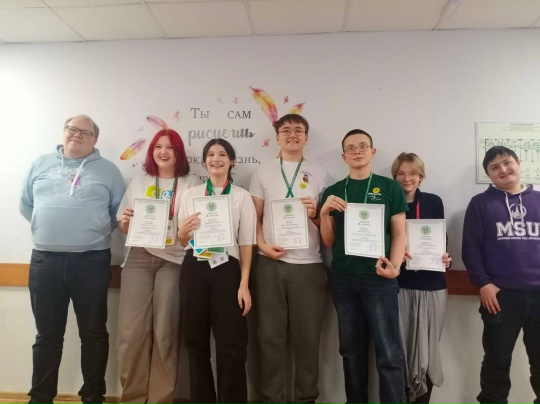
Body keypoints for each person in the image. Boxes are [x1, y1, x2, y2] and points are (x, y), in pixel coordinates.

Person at [19, 114, 125, 404]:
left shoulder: (109, 171)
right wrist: (49, 229)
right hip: (45, 261)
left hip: (91, 261)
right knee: (47, 335)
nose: (77, 135)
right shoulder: (40, 164)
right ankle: (40, 397)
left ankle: (93, 396)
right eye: (72, 129)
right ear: (63, 132)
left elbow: (118, 213)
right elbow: (26, 205)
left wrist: (90, 231)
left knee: (93, 333)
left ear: (94, 140)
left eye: (85, 132)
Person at [319, 129, 408, 404]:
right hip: (344, 279)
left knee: (389, 352)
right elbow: (329, 241)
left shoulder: (390, 187)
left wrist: (395, 267)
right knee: (351, 350)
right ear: (343, 156)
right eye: (350, 148)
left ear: (372, 151)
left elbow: (399, 233)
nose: (357, 151)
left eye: (362, 146)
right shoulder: (333, 192)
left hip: (379, 278)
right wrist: (324, 212)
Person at [249, 114, 330, 404]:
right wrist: (263, 245)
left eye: (298, 130)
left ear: (306, 137)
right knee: (269, 338)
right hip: (268, 264)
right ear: (277, 137)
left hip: (308, 266)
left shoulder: (320, 173)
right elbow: (253, 218)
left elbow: (328, 226)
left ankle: (306, 398)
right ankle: (271, 398)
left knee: (307, 340)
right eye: (286, 130)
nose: (292, 134)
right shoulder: (263, 171)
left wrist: (315, 214)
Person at [116, 128, 199, 404]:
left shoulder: (191, 183)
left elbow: (196, 228)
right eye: (158, 147)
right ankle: (133, 398)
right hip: (138, 258)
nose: (163, 152)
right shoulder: (139, 182)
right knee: (131, 332)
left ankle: (161, 399)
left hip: (174, 260)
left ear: (179, 153)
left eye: (170, 147)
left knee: (166, 332)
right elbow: (124, 225)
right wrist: (125, 224)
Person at [177, 138, 256, 404]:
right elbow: (182, 240)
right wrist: (183, 232)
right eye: (211, 154)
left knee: (232, 343)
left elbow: (246, 243)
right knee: (194, 340)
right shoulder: (191, 195)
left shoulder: (241, 196)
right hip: (195, 267)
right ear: (204, 161)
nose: (216, 159)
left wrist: (244, 284)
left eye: (222, 154)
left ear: (231, 161)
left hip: (228, 270)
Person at [462, 145, 540, 404]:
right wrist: (483, 284)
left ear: (518, 163)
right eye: (494, 167)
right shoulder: (480, 204)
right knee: (496, 361)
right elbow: (471, 247)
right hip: (500, 297)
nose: (503, 169)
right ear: (489, 175)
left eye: (507, 163)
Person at [391, 152, 452, 404]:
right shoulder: (388, 201)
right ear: (394, 176)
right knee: (401, 351)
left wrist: (446, 258)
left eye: (413, 173)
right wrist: (396, 253)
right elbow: (383, 241)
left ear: (421, 176)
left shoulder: (433, 201)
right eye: (401, 173)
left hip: (432, 285)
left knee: (427, 351)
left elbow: (441, 240)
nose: (407, 178)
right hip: (399, 285)